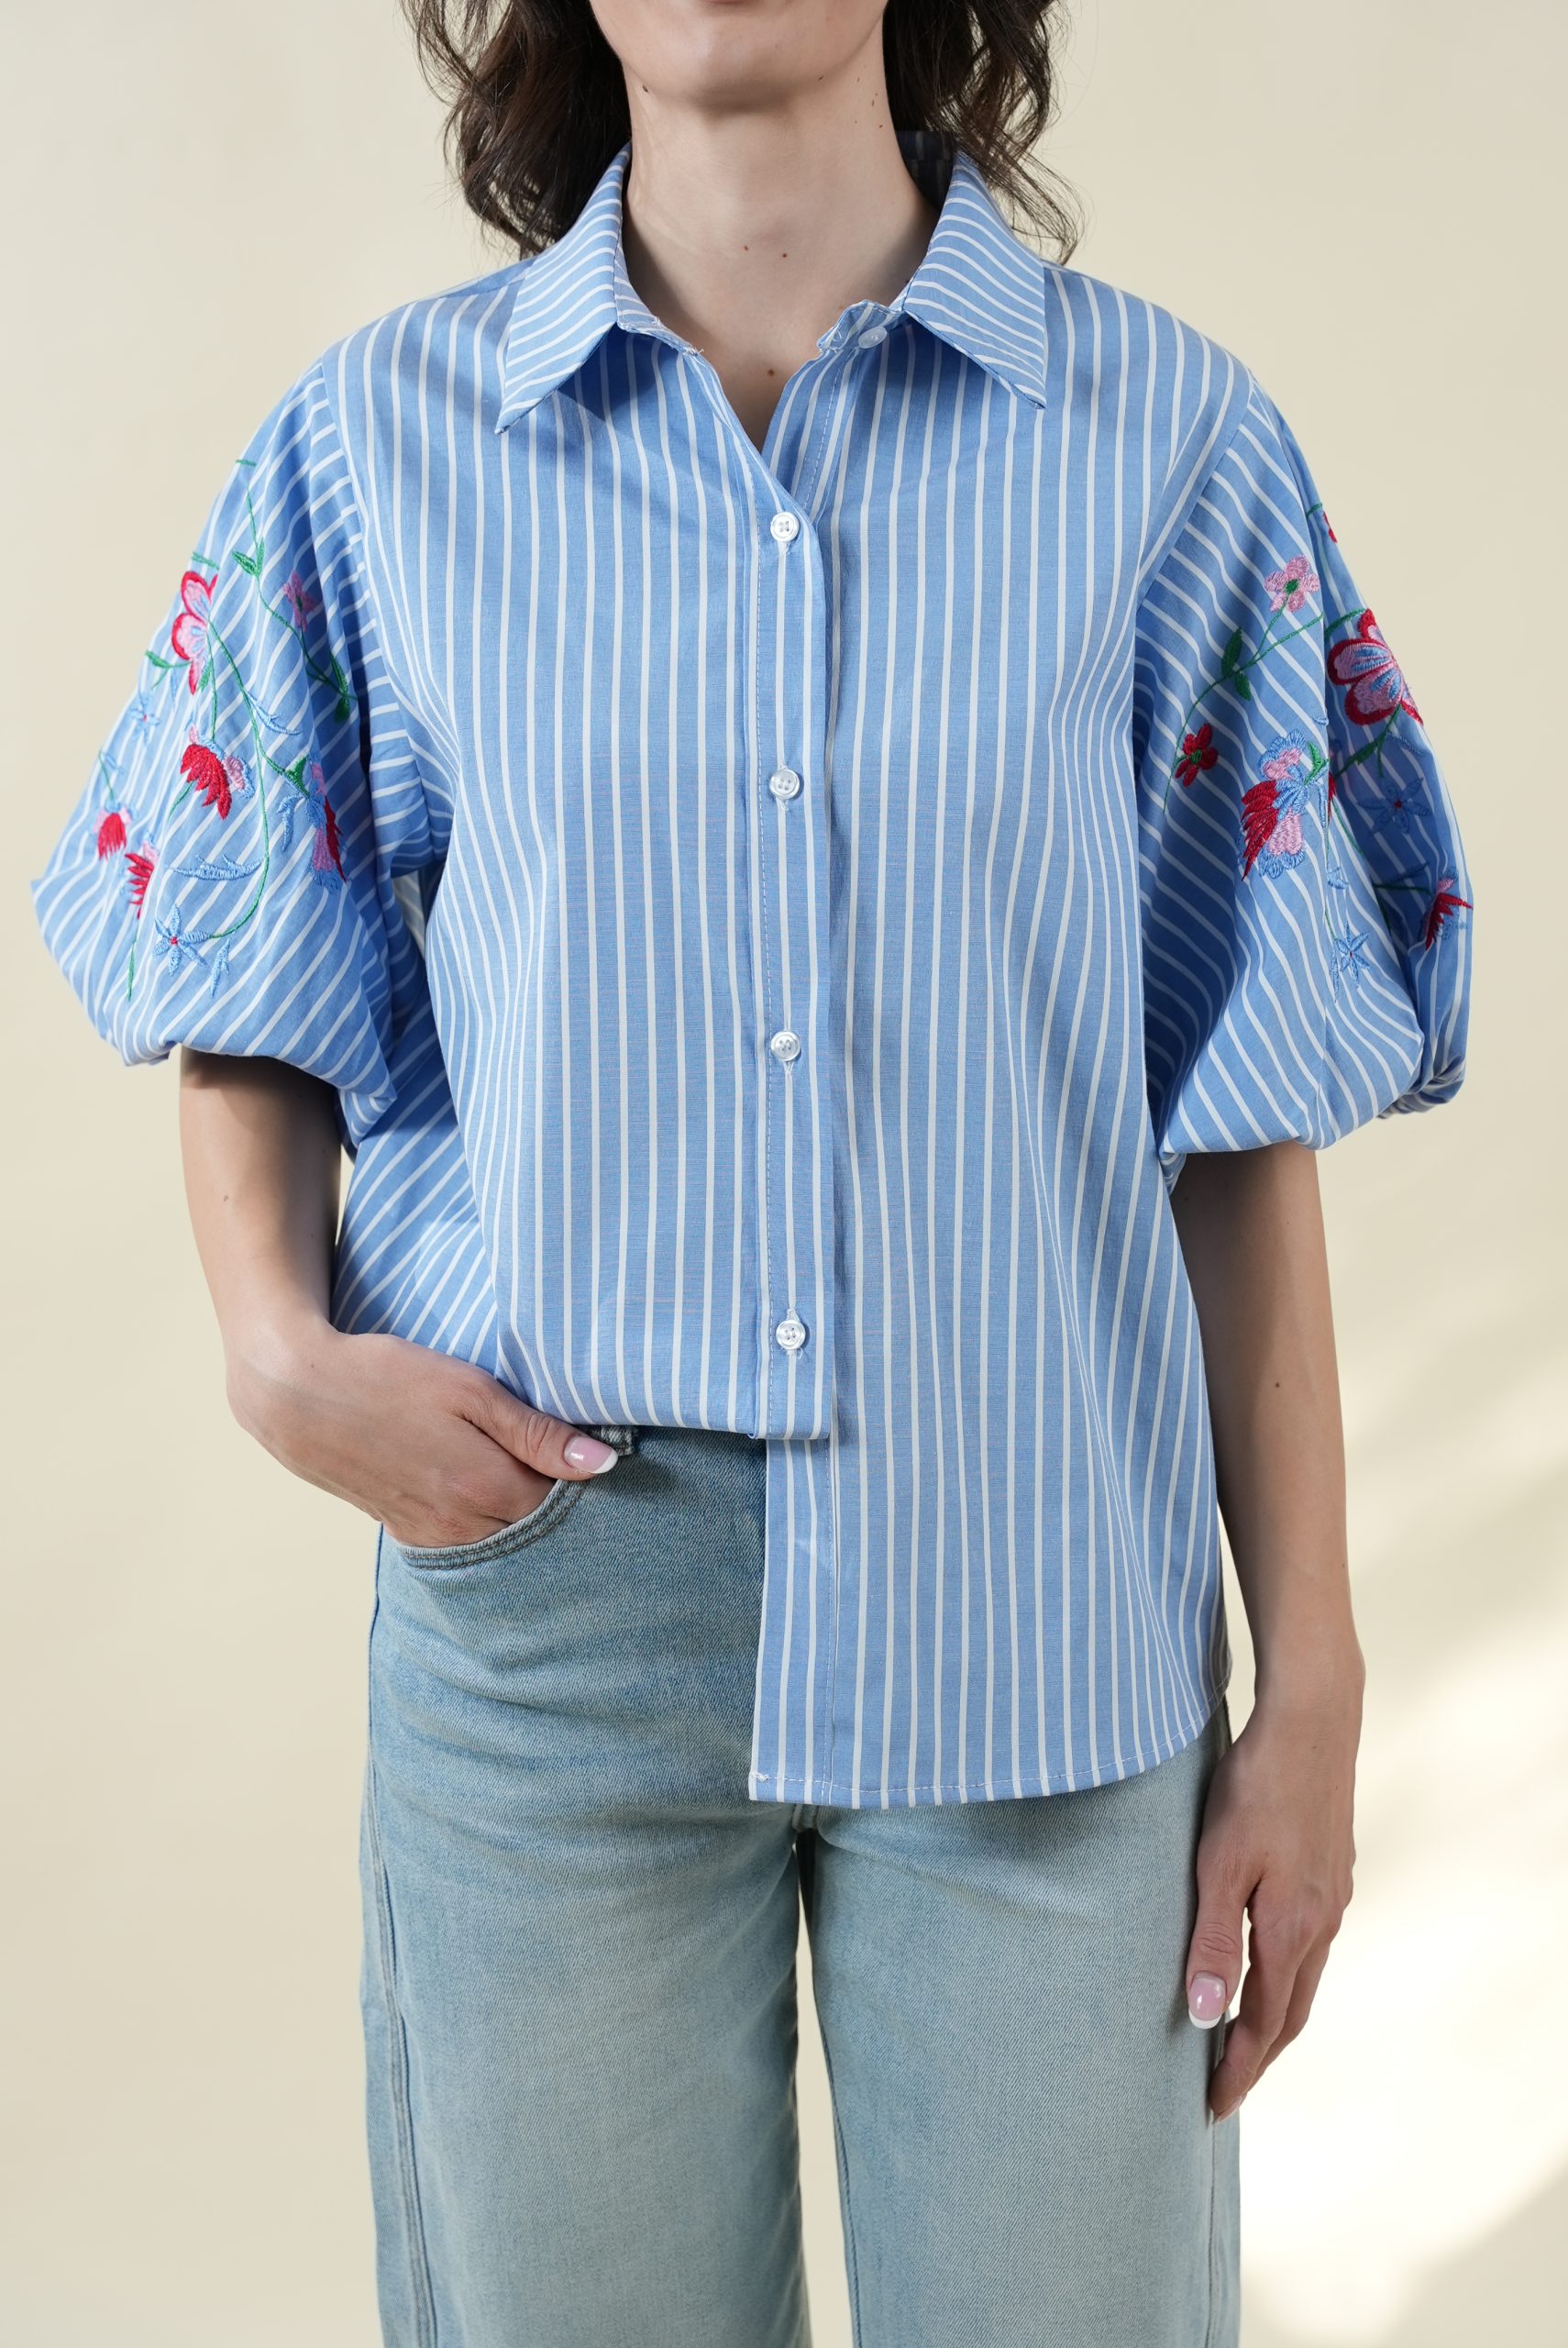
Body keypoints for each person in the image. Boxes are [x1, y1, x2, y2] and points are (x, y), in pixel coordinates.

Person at [28, 4, 1474, 2342]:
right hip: (551, 1606)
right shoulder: (380, 446)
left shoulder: (1169, 447)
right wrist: (276, 1352)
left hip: (1039, 1604)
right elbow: (248, 937)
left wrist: (1311, 1675)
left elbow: (1238, 1107)